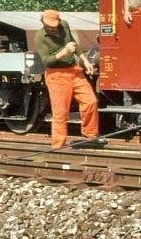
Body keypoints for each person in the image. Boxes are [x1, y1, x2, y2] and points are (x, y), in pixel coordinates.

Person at [35, 9, 102, 149]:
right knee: (61, 112)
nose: (51, 28)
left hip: (74, 70)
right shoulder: (40, 36)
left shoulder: (64, 25)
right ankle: (58, 145)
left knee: (90, 101)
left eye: (53, 26)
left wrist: (85, 60)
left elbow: (73, 43)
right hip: (56, 75)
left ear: (58, 22)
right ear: (43, 23)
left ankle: (90, 136)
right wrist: (63, 53)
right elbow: (47, 61)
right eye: (48, 26)